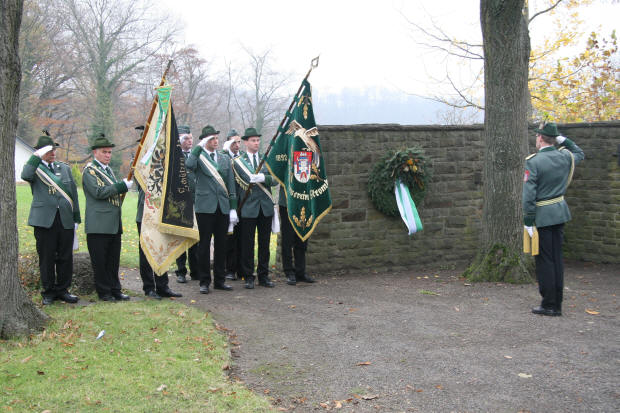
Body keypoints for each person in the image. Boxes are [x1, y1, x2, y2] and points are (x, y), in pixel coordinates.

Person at [523, 122, 584, 317]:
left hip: (542, 216)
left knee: (545, 261)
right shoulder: (565, 156)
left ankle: (549, 304)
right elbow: (579, 153)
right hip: (559, 212)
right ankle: (557, 302)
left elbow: (529, 195)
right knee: (556, 259)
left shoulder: (533, 161)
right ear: (553, 139)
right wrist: (562, 139)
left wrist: (528, 220)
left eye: (537, 136)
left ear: (540, 138)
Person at [21, 132, 81, 305]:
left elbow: (73, 195)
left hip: (64, 219)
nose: (53, 153)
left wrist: (76, 218)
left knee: (65, 257)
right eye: (48, 150)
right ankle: (48, 292)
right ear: (39, 152)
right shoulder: (35, 168)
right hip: (44, 220)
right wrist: (35, 157)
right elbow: (25, 175)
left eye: (54, 149)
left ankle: (63, 290)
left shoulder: (64, 168)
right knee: (46, 258)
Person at [186, 125, 238, 294]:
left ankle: (220, 280)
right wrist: (198, 147)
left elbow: (230, 184)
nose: (215, 141)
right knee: (204, 245)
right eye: (212, 139)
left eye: (216, 138)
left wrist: (233, 208)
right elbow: (189, 164)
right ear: (205, 141)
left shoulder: (224, 158)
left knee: (222, 245)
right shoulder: (199, 157)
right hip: (205, 207)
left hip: (222, 207)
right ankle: (204, 281)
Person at [82, 135, 132, 302]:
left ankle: (115, 289)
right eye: (104, 152)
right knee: (100, 262)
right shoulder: (90, 171)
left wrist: (121, 187)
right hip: (98, 224)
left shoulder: (108, 170)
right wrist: (121, 186)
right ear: (95, 152)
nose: (108, 155)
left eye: (110, 152)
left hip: (112, 223)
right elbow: (99, 192)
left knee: (113, 261)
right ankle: (104, 292)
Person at [232, 127, 278, 289]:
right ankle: (248, 275)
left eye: (258, 140)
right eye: (253, 140)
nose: (256, 143)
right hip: (248, 207)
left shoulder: (266, 159)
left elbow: (275, 179)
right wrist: (234, 209)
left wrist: (263, 177)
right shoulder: (238, 162)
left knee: (264, 244)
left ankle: (263, 276)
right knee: (247, 244)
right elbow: (236, 187)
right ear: (246, 142)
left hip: (265, 207)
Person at [136, 185, 183, 299]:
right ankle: (149, 288)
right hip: (147, 213)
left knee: (162, 250)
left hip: (163, 214)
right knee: (147, 251)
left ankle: (162, 286)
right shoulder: (146, 165)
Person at [175, 125, 200, 284]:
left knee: (195, 238)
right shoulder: (175, 156)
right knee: (181, 238)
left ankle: (195, 270)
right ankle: (181, 271)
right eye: (186, 139)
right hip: (180, 202)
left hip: (197, 201)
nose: (190, 141)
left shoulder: (198, 155)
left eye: (191, 138)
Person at [278, 186, 315, 285]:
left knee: (302, 237)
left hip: (304, 200)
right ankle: (289, 271)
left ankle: (300, 271)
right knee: (287, 238)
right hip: (287, 202)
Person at [222, 129, 243, 280]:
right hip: (227, 202)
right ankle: (229, 269)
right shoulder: (222, 158)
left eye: (239, 142)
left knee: (242, 238)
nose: (237, 145)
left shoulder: (243, 159)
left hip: (243, 202)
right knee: (228, 238)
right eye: (234, 142)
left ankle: (241, 268)